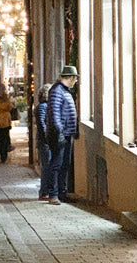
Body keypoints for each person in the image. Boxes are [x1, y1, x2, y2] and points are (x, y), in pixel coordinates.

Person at [46, 66, 78, 205]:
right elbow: (55, 113)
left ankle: (62, 192)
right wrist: (59, 131)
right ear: (70, 78)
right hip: (59, 134)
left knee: (65, 164)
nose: (75, 81)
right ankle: (53, 194)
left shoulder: (65, 91)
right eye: (75, 78)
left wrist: (73, 130)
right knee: (57, 163)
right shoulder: (57, 91)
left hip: (67, 133)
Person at [35, 84, 53, 201]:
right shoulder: (42, 107)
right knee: (46, 166)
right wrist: (47, 136)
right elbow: (41, 123)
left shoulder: (46, 106)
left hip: (47, 141)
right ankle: (44, 191)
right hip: (45, 142)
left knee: (48, 166)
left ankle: (47, 190)